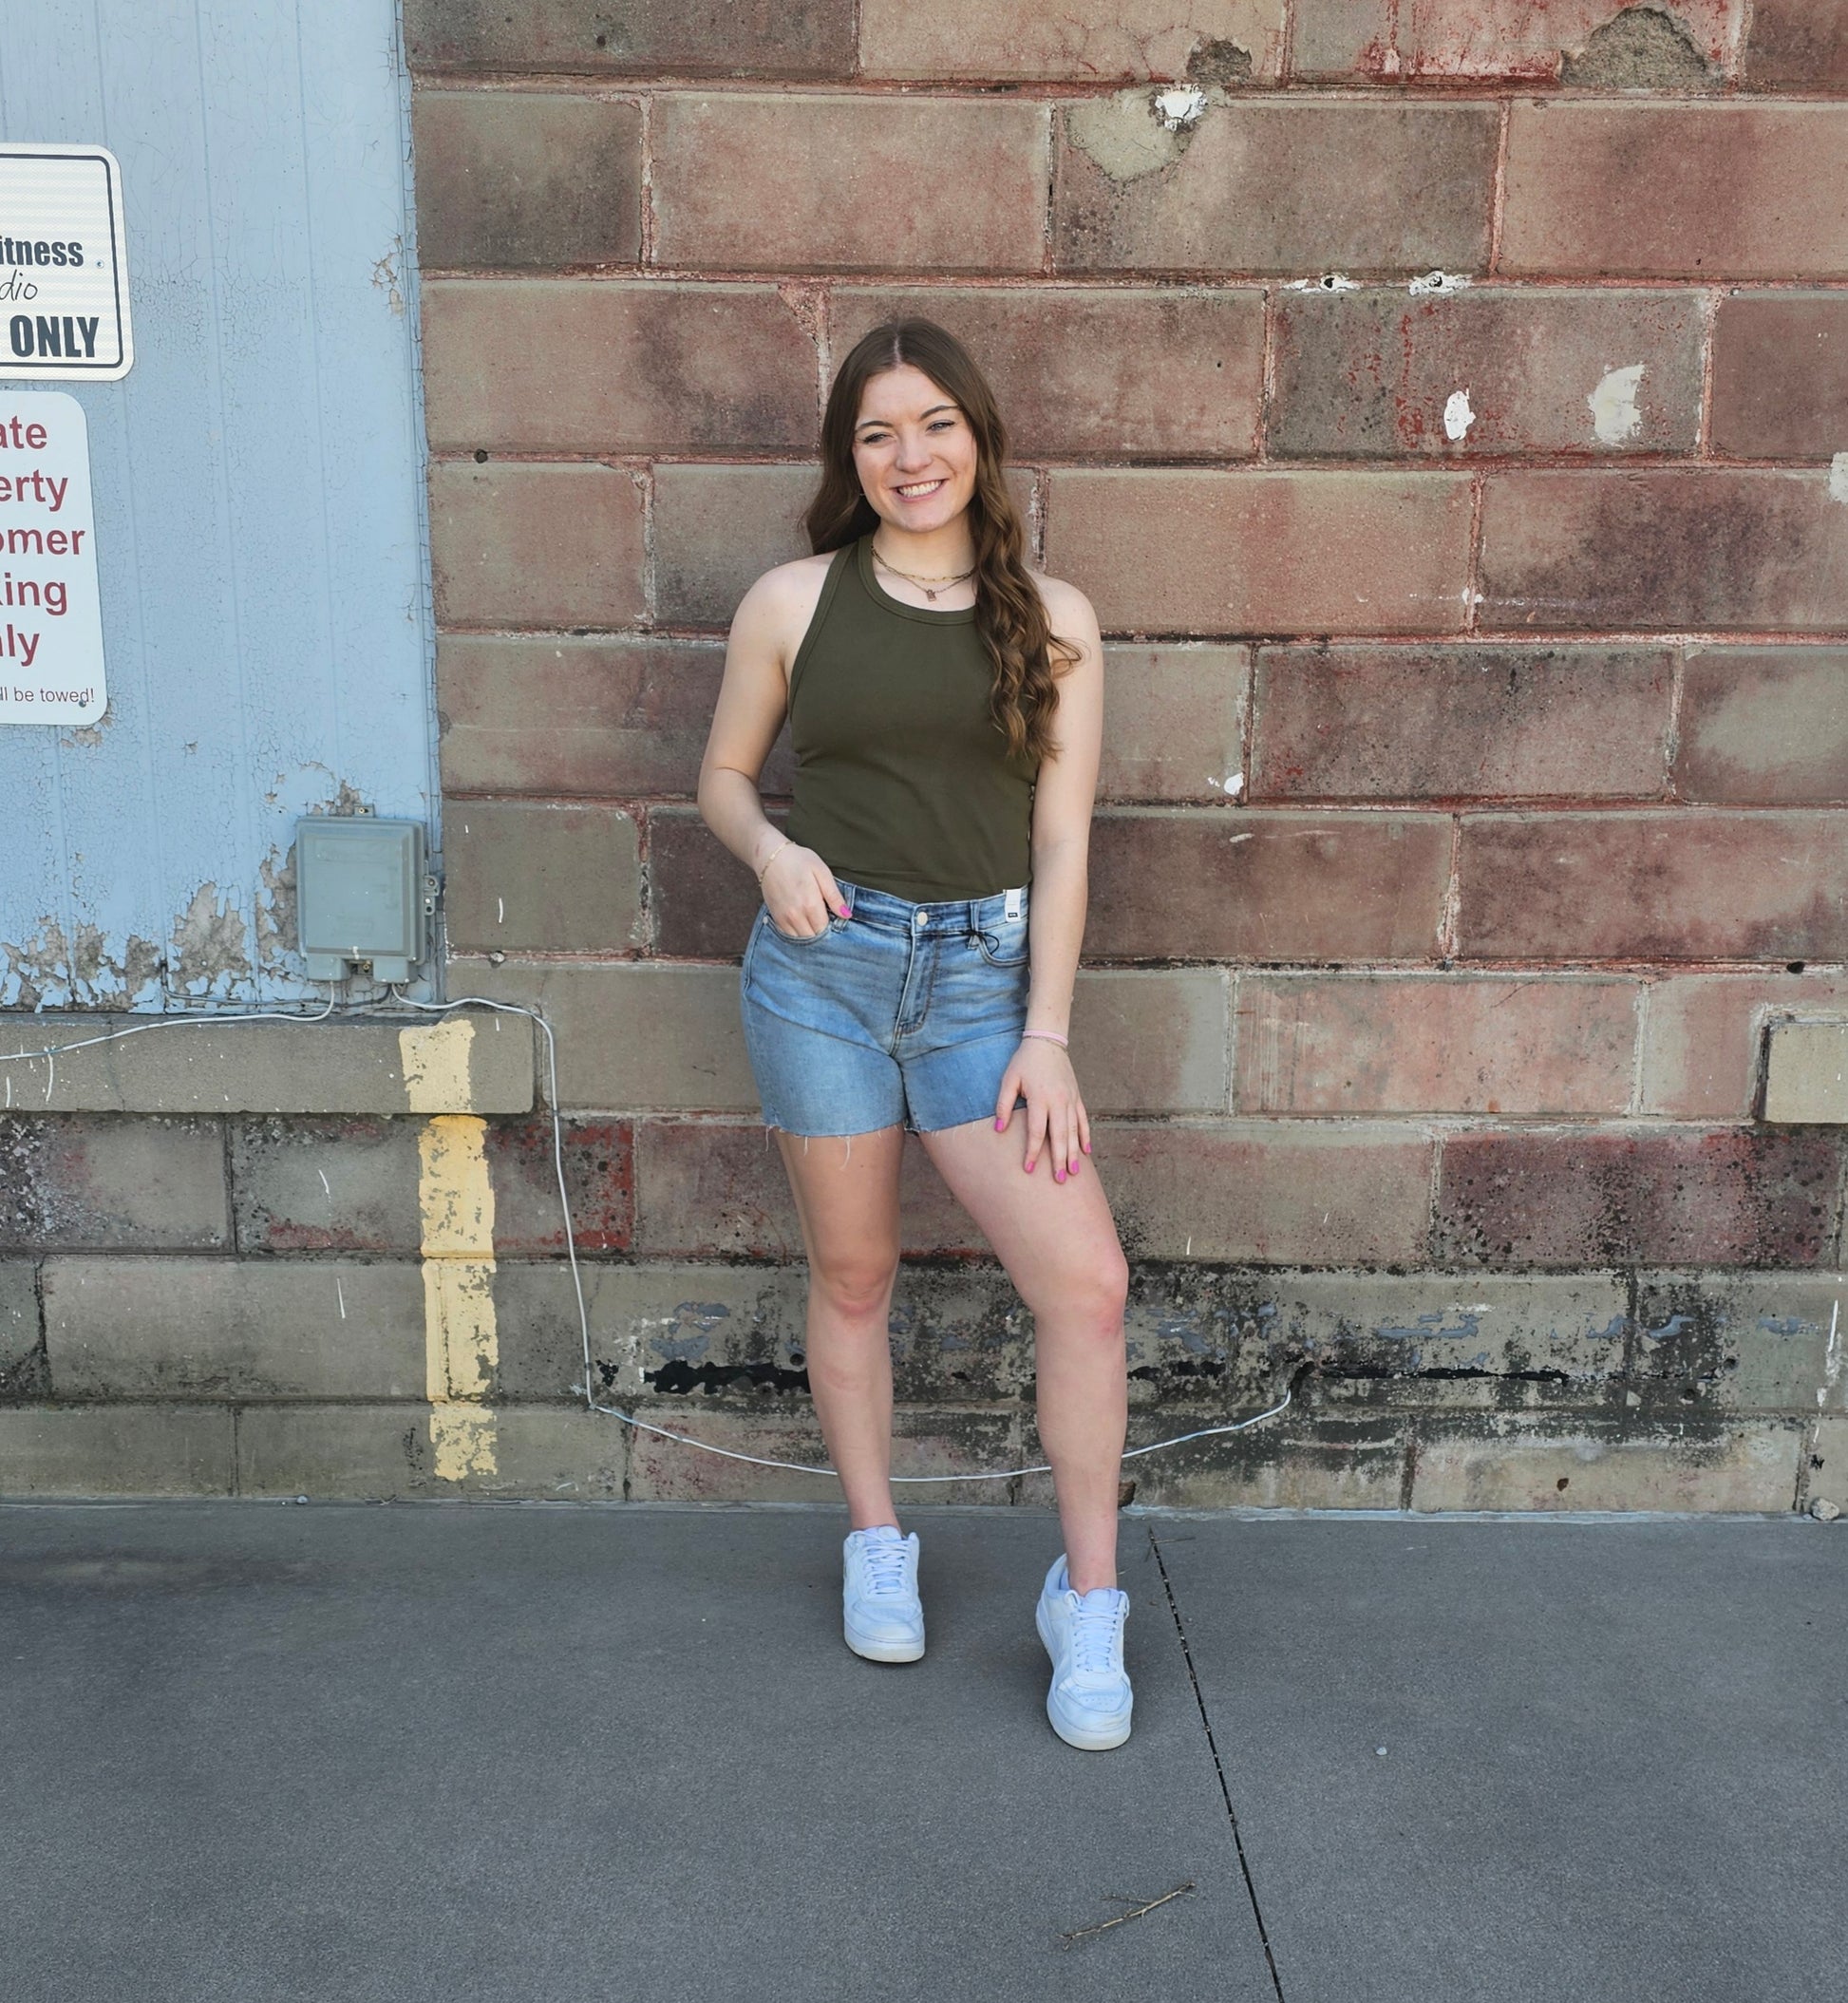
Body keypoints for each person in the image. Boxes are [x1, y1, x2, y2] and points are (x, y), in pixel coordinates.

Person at [695, 318, 1135, 1751]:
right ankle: (875, 1540)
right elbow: (723, 776)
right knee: (855, 1270)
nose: (911, 455)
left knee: (1088, 1285)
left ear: (978, 437)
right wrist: (770, 852)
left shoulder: (1054, 620)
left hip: (982, 992)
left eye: (935, 423)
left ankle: (1089, 1601)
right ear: (850, 457)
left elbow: (1061, 844)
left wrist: (1046, 1034)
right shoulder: (791, 602)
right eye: (878, 432)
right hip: (820, 975)